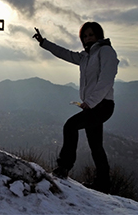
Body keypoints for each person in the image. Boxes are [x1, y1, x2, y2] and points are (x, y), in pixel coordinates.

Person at [33, 22, 119, 193]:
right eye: (85, 36)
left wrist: (91, 102)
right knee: (96, 146)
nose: (88, 38)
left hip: (102, 105)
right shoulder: (86, 57)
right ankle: (103, 183)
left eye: (91, 35)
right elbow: (65, 54)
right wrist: (44, 43)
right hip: (92, 105)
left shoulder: (106, 51)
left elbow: (106, 80)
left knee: (70, 126)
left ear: (98, 35)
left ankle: (64, 167)